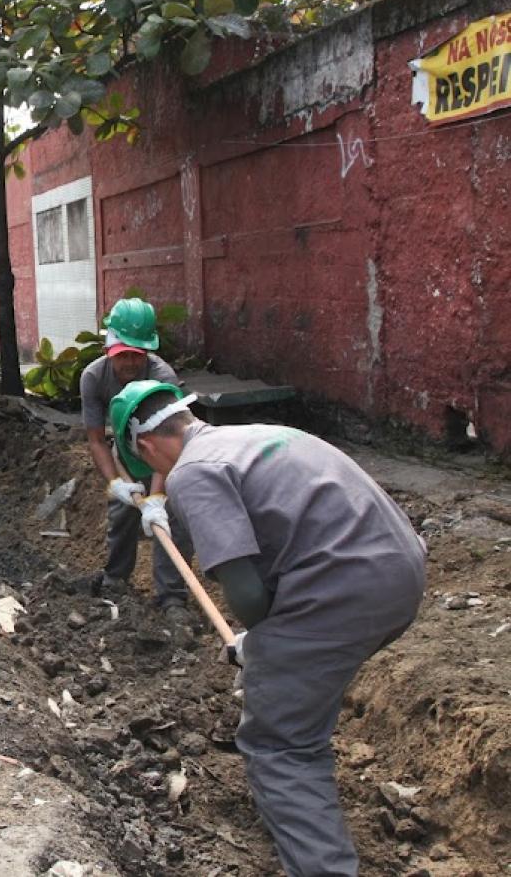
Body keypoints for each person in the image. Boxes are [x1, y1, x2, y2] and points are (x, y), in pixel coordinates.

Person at [110, 380, 426, 877]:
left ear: (145, 447)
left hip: (340, 590)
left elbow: (247, 595)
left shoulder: (193, 472)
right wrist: (272, 646)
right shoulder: (258, 435)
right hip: (399, 572)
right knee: (296, 690)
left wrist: (260, 646)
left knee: (280, 744)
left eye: (149, 467)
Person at [78, 297, 194, 622]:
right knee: (121, 513)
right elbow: (97, 440)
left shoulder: (164, 379)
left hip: (166, 454)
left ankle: (172, 598)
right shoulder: (93, 378)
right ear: (108, 350)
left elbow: (170, 445)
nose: (130, 363)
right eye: (123, 355)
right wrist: (116, 483)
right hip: (125, 452)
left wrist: (157, 497)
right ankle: (116, 578)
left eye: (137, 355)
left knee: (172, 518)